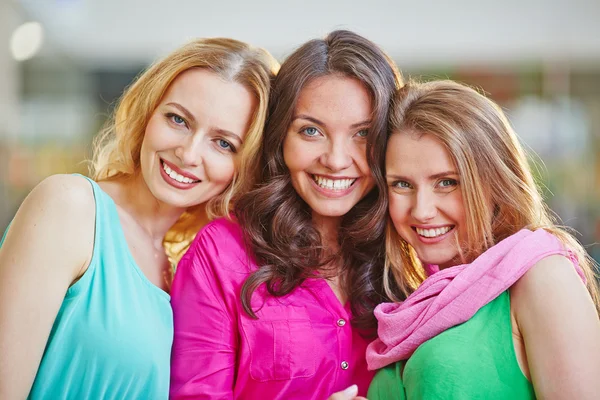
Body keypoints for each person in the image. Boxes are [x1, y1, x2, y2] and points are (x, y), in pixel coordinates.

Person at [0, 38, 277, 399]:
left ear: (246, 166)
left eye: (223, 143)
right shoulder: (70, 208)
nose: (188, 154)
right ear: (148, 112)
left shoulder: (184, 266)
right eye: (178, 119)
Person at [170, 30, 403, 399]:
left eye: (363, 134)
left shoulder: (409, 254)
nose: (336, 160)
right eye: (311, 131)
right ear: (279, 137)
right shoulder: (220, 253)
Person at [366, 80, 600, 399]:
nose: (421, 211)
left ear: (494, 182)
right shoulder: (421, 296)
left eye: (447, 182)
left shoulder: (542, 277)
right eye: (402, 185)